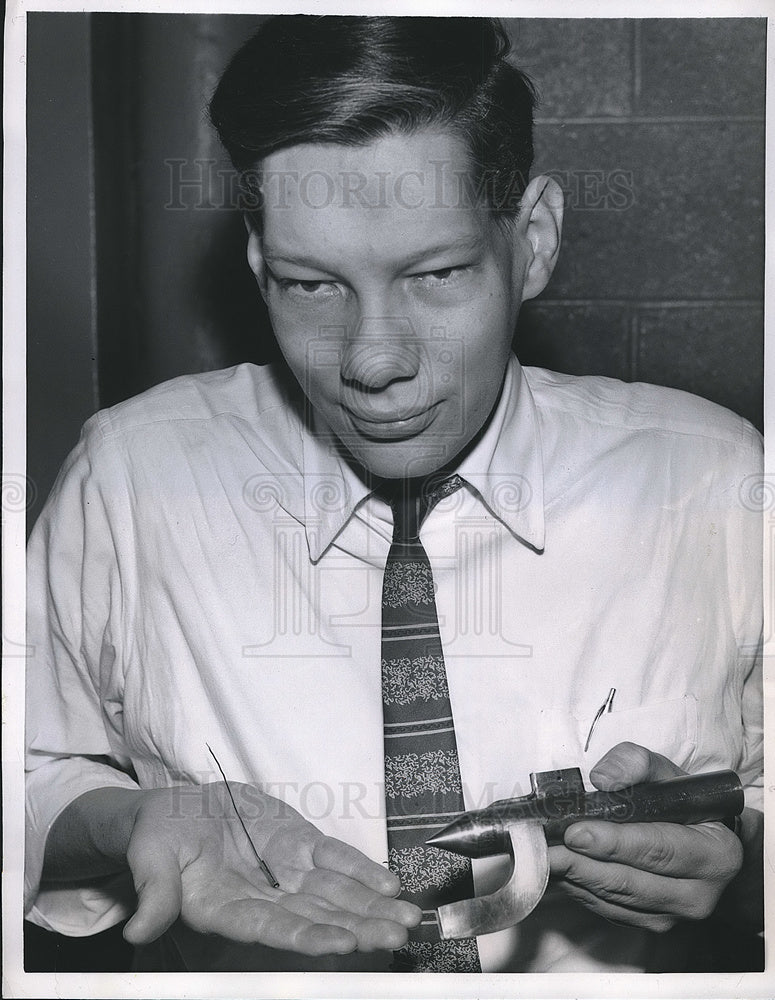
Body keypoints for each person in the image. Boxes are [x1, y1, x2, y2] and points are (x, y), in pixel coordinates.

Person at [25, 15, 762, 974]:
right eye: (309, 285)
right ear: (257, 266)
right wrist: (127, 820)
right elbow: (28, 770)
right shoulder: (131, 478)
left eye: (437, 273)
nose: (373, 361)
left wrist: (743, 862)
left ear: (530, 240)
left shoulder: (714, 480)